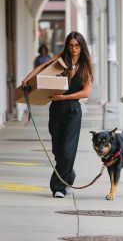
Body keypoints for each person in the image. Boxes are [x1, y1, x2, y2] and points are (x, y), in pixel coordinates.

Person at [22, 31, 93, 198]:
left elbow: (85, 92)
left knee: (68, 150)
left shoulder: (86, 65)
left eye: (77, 45)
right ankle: (69, 176)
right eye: (71, 45)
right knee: (58, 151)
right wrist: (27, 79)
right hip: (56, 109)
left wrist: (63, 97)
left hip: (73, 111)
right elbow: (41, 68)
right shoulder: (62, 59)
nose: (74, 49)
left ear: (81, 46)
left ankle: (58, 187)